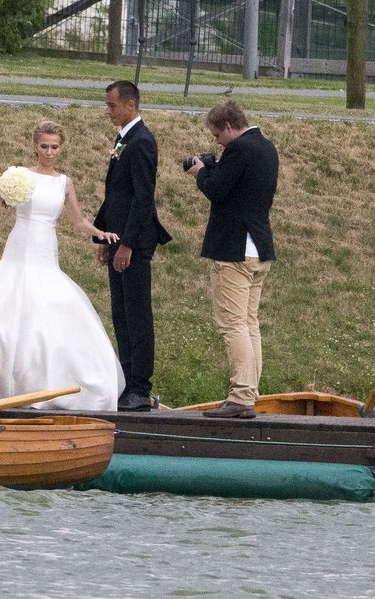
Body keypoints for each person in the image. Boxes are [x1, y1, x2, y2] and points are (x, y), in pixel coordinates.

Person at [0, 120, 125, 411]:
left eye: (54, 147)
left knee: (49, 306)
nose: (49, 152)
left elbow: (77, 220)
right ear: (34, 147)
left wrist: (100, 233)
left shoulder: (65, 182)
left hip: (45, 248)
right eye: (44, 146)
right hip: (19, 244)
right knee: (3, 302)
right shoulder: (21, 175)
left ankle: (44, 383)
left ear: (61, 148)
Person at [186, 101, 278, 418]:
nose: (217, 142)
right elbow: (239, 190)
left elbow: (217, 190)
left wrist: (201, 171)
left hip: (235, 249)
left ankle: (240, 398)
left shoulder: (239, 148)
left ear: (228, 126)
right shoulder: (267, 148)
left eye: (217, 135)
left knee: (233, 325)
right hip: (259, 247)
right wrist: (214, 168)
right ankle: (249, 394)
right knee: (250, 324)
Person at [93, 80, 172, 412]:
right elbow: (117, 195)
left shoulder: (141, 142)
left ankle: (140, 385)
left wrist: (126, 244)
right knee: (121, 313)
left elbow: (143, 199)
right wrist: (104, 236)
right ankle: (126, 380)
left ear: (129, 105)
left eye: (112, 105)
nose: (108, 111)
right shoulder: (124, 138)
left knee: (137, 314)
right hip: (118, 238)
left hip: (134, 244)